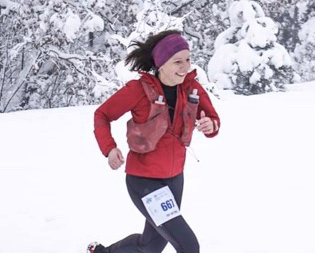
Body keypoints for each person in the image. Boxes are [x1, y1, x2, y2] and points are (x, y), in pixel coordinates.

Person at [89, 30, 221, 253]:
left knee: (149, 247)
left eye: (188, 60)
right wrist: (109, 149)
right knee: (189, 246)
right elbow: (102, 115)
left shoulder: (192, 89)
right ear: (161, 64)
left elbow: (213, 120)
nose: (185, 67)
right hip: (144, 182)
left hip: (174, 180)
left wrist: (211, 125)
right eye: (177, 61)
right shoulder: (138, 90)